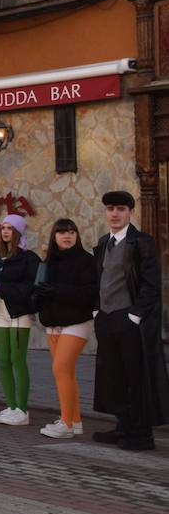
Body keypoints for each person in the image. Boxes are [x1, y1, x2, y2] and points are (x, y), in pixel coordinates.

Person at [91, 190, 169, 451]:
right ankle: (123, 426)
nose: (115, 214)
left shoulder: (142, 242)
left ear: (130, 213)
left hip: (129, 319)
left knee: (136, 377)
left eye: (121, 209)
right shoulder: (103, 242)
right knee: (114, 376)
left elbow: (151, 284)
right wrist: (96, 311)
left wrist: (134, 315)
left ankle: (141, 435)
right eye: (111, 209)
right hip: (107, 318)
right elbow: (97, 280)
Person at [36, 218, 97, 438]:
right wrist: (39, 297)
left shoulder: (86, 261)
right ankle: (75, 420)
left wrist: (56, 291)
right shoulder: (48, 262)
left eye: (72, 232)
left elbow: (89, 295)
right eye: (62, 232)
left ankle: (66, 424)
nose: (67, 236)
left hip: (78, 322)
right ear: (54, 236)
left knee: (60, 369)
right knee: (66, 373)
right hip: (53, 324)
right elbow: (40, 292)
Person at [0, 215, 41, 426]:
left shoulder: (28, 258)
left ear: (19, 232)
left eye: (10, 228)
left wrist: (1, 288)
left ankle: (22, 410)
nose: (5, 232)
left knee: (17, 359)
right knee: (3, 360)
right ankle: (11, 406)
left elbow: (31, 288)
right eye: (3, 228)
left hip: (19, 313)